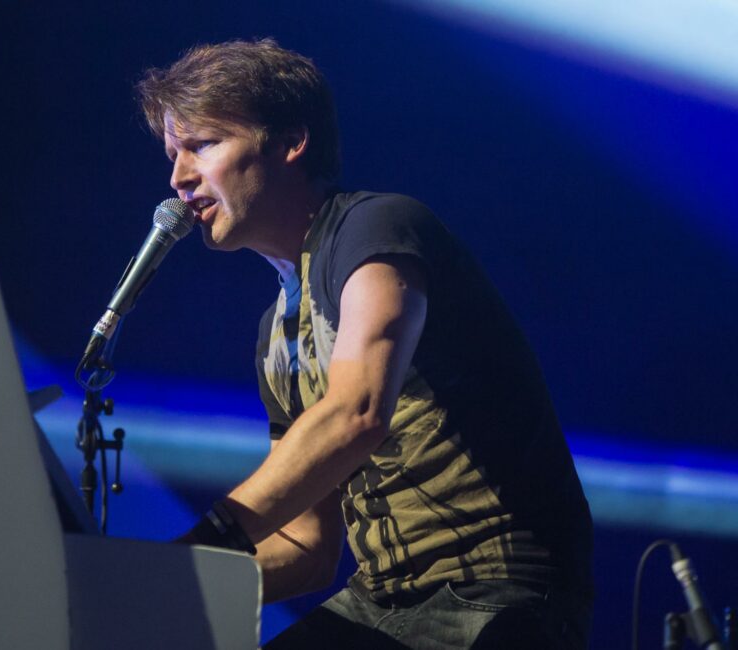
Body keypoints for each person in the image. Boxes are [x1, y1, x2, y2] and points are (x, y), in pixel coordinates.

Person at [136, 38, 594, 649]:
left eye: (203, 145)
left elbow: (356, 412)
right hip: (383, 598)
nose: (179, 177)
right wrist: (174, 582)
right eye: (173, 152)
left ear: (291, 142)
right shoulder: (277, 331)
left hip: (494, 587)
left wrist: (204, 543)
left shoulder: (373, 226)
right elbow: (306, 548)